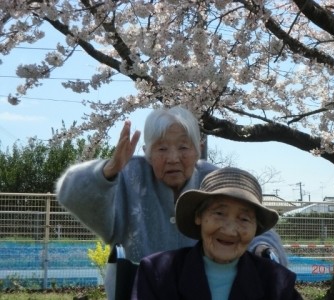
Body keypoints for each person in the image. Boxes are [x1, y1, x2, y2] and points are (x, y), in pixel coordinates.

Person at [56, 106, 289, 299]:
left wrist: (262, 249)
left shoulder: (214, 179)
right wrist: (109, 170)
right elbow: (70, 191)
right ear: (147, 152)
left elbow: (247, 221)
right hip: (139, 289)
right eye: (162, 148)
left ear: (199, 150)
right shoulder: (129, 174)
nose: (173, 158)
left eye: (184, 147)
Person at [131, 167, 302, 300]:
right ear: (199, 216)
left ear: (255, 228)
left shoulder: (276, 281)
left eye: (244, 219)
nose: (229, 230)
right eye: (219, 214)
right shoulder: (157, 273)